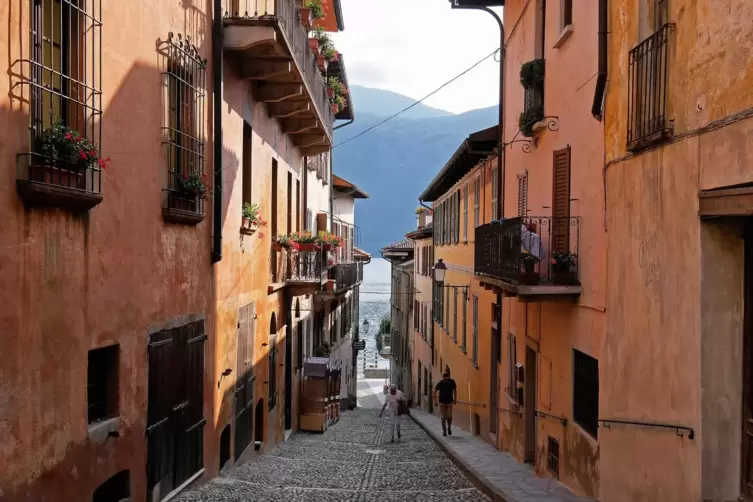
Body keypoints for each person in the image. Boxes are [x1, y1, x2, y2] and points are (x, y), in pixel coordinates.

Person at [434, 372, 457, 436]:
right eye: (445, 378)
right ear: (443, 377)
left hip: (449, 402)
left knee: (449, 417)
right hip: (442, 402)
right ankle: (444, 431)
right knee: (443, 417)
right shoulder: (441, 383)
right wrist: (435, 401)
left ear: (448, 377)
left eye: (446, 378)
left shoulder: (452, 382)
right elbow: (435, 391)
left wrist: (455, 399)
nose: (446, 379)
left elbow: (455, 390)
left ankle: (449, 428)